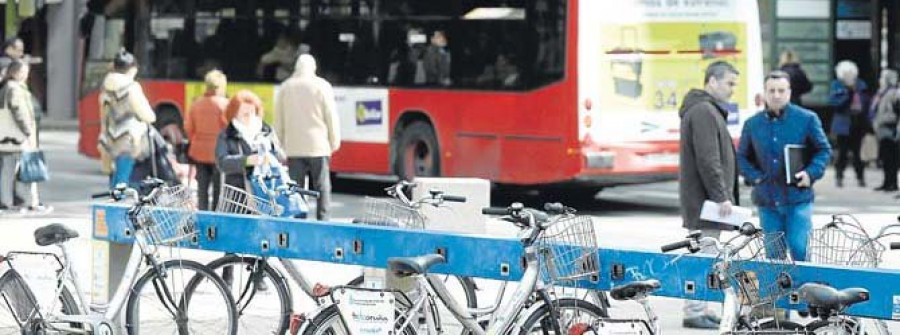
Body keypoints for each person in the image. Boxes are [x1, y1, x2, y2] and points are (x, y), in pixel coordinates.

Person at [737, 70, 831, 263]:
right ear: (764, 93)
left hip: (798, 198)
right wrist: (754, 177)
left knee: (799, 249)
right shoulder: (753, 124)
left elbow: (824, 150)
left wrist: (810, 173)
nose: (776, 95)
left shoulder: (807, 119)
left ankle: (804, 291)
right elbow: (741, 157)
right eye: (772, 90)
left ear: (789, 92)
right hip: (767, 200)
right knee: (773, 255)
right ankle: (778, 293)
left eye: (781, 90)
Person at [678, 60, 741, 329]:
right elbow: (708, 158)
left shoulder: (704, 109)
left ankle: (699, 307)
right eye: (729, 83)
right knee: (703, 255)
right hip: (705, 203)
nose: (732, 89)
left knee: (704, 253)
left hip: (701, 201)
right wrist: (721, 195)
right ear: (712, 81)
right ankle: (694, 311)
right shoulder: (704, 111)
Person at [215, 90, 286, 285]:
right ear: (234, 114)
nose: (249, 117)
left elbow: (280, 155)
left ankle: (258, 275)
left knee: (260, 234)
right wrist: (248, 160)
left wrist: (271, 154)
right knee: (232, 234)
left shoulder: (265, 130)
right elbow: (222, 162)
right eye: (244, 113)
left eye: (252, 112)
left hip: (261, 190)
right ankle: (227, 275)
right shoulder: (227, 134)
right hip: (237, 191)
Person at [274, 54, 340, 221]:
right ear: (314, 68)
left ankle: (299, 218)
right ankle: (323, 219)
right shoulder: (322, 86)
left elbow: (279, 120)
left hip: (294, 147)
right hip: (318, 146)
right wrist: (334, 141)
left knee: (295, 187)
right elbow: (331, 117)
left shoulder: (285, 87)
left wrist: (280, 143)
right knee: (322, 185)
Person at [97, 49, 156, 189]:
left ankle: (112, 206)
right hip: (127, 139)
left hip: (108, 138)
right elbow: (147, 115)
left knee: (114, 179)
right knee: (123, 181)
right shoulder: (131, 88)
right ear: (131, 69)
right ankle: (118, 209)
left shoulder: (105, 88)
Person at [0, 60, 43, 212]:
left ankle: (7, 201)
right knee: (27, 169)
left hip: (6, 138)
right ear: (16, 72)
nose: (26, 75)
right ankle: (30, 201)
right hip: (18, 138)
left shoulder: (5, 87)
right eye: (24, 72)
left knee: (8, 171)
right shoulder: (15, 89)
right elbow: (19, 112)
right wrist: (28, 131)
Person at [186, 69, 229, 210]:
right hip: (219, 154)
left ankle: (202, 217)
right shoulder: (224, 105)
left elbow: (188, 128)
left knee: (202, 190)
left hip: (199, 152)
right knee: (219, 191)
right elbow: (228, 129)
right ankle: (216, 220)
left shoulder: (196, 104)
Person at [829, 60, 871, 188]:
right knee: (842, 152)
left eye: (851, 73)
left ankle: (860, 177)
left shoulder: (861, 85)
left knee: (858, 153)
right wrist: (848, 94)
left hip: (857, 123)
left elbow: (866, 102)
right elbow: (835, 103)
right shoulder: (837, 85)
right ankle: (839, 176)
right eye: (846, 74)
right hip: (843, 124)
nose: (849, 76)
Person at [872, 69, 900, 192]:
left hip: (890, 126)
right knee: (885, 156)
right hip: (882, 126)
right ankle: (887, 181)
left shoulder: (893, 92)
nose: (880, 80)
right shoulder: (881, 92)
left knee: (891, 156)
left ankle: (892, 182)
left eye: (882, 78)